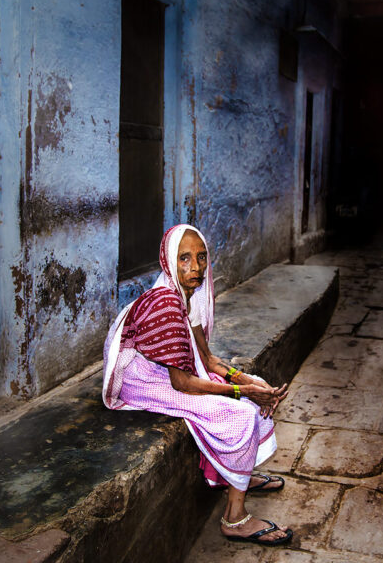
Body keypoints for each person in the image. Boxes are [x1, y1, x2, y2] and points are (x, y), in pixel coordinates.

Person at [103, 224, 293, 545]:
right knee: (240, 414)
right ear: (168, 262)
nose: (196, 268)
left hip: (174, 372)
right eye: (185, 259)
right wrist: (240, 392)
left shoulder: (191, 295)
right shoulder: (166, 303)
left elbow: (206, 359)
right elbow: (182, 383)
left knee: (255, 389)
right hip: (144, 378)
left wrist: (251, 384)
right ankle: (235, 519)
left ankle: (240, 477)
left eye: (201, 258)